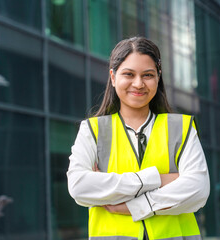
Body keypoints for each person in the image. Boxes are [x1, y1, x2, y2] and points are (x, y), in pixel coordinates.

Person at [67, 36, 210, 240]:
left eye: (148, 75)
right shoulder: (93, 130)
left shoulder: (182, 128)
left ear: (158, 77)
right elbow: (79, 186)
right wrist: (157, 179)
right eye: (129, 74)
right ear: (113, 77)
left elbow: (198, 189)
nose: (138, 83)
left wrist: (136, 206)